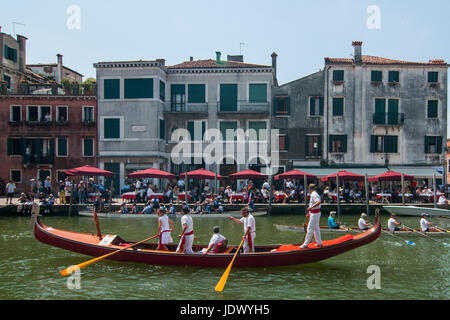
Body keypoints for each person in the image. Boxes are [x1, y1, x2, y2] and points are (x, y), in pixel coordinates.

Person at [299, 184, 323, 248]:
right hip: (315, 213)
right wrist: (309, 212)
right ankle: (319, 242)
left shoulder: (313, 194)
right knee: (316, 228)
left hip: (315, 214)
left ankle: (305, 244)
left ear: (310, 189)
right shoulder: (315, 193)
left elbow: (318, 202)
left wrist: (310, 207)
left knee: (310, 228)